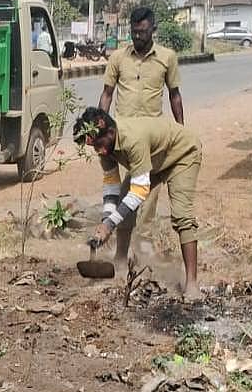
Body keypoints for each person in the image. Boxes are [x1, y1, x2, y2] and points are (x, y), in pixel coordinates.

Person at [75, 106, 202, 299]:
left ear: (110, 131)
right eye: (94, 147)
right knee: (122, 203)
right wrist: (106, 219)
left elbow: (140, 190)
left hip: (182, 155)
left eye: (100, 144)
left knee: (182, 215)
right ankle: (120, 262)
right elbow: (111, 186)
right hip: (153, 161)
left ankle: (192, 284)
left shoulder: (133, 139)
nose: (99, 150)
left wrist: (109, 225)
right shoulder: (104, 147)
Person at [97, 6, 184, 266]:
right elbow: (107, 94)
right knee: (125, 191)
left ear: (153, 30)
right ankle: (124, 251)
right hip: (122, 139)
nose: (138, 37)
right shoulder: (118, 58)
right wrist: (100, 128)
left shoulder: (167, 58)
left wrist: (181, 130)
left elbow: (175, 95)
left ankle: (140, 246)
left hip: (154, 141)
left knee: (147, 192)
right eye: (134, 32)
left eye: (143, 32)